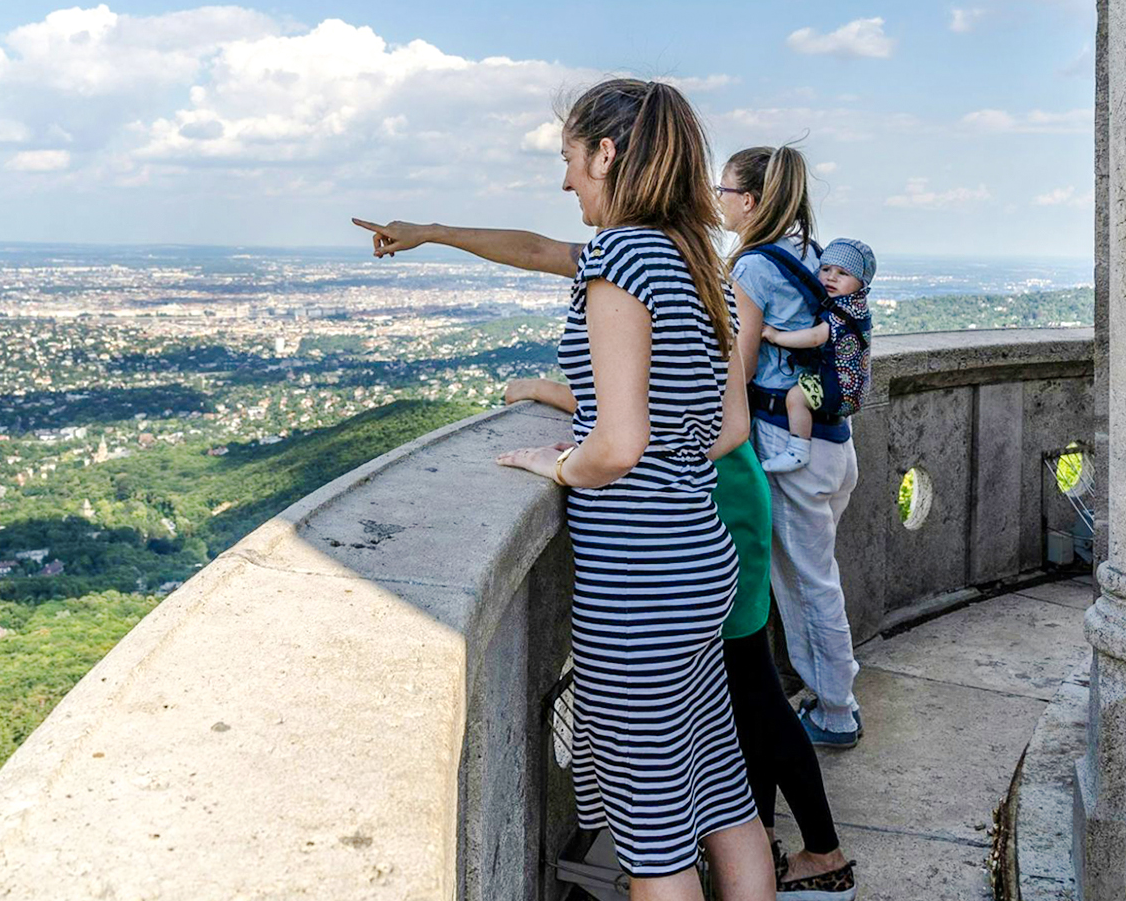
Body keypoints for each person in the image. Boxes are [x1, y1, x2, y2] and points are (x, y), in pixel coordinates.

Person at [354, 138, 858, 898]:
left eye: (569, 157)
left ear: (608, 153)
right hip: (701, 555)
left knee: (655, 843)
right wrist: (433, 230)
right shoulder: (695, 259)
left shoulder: (621, 258)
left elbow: (618, 446)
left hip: (639, 580)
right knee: (723, 798)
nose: (563, 179)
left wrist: (561, 463)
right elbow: (724, 432)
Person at [722, 145, 864, 752]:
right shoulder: (811, 253)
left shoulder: (753, 266)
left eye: (723, 191)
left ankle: (837, 712)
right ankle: (826, 693)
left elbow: (741, 361)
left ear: (750, 201)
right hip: (832, 442)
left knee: (808, 585)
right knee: (814, 578)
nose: (716, 201)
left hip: (787, 444)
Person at [757, 239, 876, 474]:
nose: (831, 277)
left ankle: (798, 449)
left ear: (861, 283)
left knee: (796, 397)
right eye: (825, 269)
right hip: (853, 390)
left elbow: (814, 338)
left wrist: (776, 336)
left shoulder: (839, 313)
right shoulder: (857, 306)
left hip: (837, 390)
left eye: (842, 273)